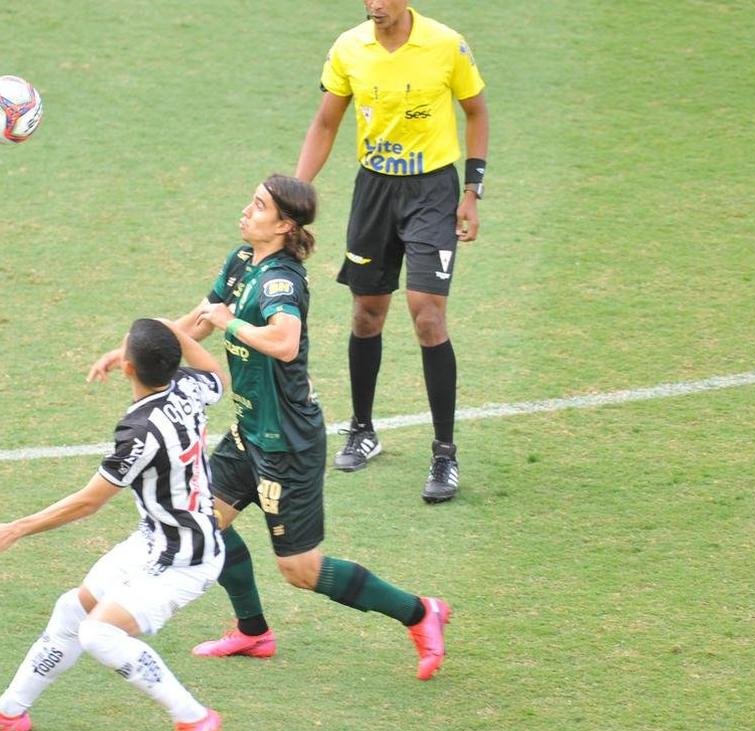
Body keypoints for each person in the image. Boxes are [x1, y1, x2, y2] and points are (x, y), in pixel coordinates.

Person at [88, 175, 451, 680]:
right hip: (248, 431)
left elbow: (283, 342)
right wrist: (134, 349)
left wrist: (229, 322)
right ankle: (253, 631)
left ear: (283, 225)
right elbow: (197, 321)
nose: (246, 211)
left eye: (258, 206)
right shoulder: (242, 262)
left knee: (300, 570)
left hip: (289, 443)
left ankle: (420, 612)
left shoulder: (283, 281)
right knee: (200, 525)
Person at [0, 318, 227, 731]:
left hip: (183, 561)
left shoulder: (140, 431)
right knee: (71, 611)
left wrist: (15, 528)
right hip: (158, 539)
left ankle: (193, 718)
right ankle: (11, 711)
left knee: (99, 633)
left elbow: (89, 502)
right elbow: (215, 371)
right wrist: (170, 336)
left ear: (128, 367)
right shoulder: (189, 388)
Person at [295, 0, 490, 503]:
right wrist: (295, 192)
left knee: (427, 316)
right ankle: (363, 429)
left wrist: (472, 192)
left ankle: (444, 453)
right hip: (374, 192)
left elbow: (476, 111)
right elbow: (324, 124)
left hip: (433, 193)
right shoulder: (348, 47)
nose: (374, 4)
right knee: (366, 314)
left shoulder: (446, 44)